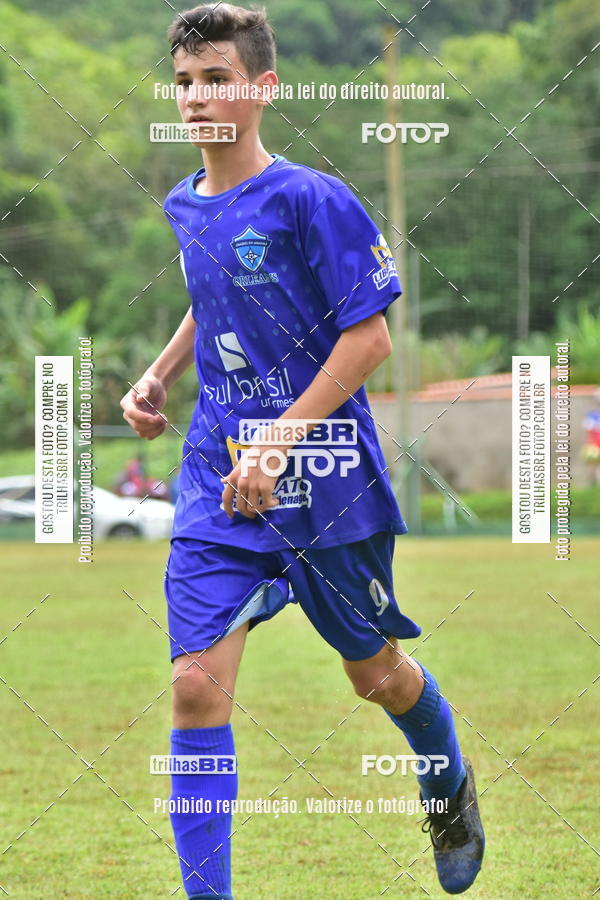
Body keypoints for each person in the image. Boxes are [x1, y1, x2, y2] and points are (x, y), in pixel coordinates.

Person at [120, 4, 485, 896]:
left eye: (216, 80)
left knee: (378, 677)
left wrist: (284, 440)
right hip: (219, 474)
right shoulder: (182, 204)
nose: (197, 98)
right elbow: (217, 293)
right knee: (196, 690)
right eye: (183, 83)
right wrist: (163, 372)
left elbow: (368, 343)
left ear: (263, 88)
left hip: (323, 480)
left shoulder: (312, 199)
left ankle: (447, 784)